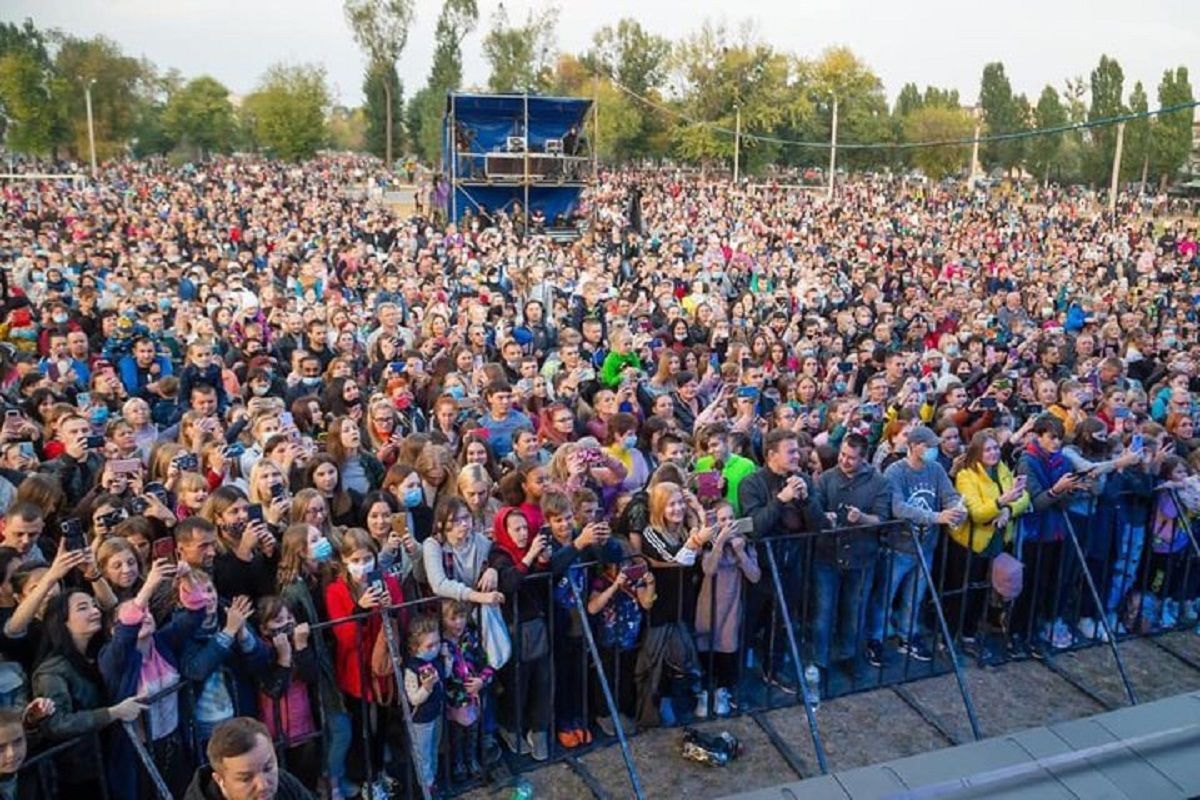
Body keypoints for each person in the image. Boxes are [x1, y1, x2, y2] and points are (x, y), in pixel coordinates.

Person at [867, 425, 965, 663]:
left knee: (915, 595)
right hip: (898, 546)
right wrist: (936, 517)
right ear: (913, 446)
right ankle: (875, 639)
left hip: (926, 545)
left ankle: (907, 635)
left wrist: (956, 508)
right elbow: (897, 507)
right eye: (928, 445)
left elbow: (948, 494)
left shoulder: (937, 469)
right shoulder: (895, 471)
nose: (932, 449)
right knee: (886, 595)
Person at [811, 433, 891, 677]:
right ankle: (820, 661)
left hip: (861, 556)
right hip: (827, 554)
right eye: (843, 455)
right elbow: (816, 511)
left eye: (851, 458)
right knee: (823, 613)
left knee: (855, 611)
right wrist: (827, 518)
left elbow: (882, 518)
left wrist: (862, 519)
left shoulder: (879, 482)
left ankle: (849, 656)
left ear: (863, 458)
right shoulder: (826, 478)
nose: (845, 461)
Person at [184, 715, 314, 799]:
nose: (263, 785)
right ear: (220, 780)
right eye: (246, 778)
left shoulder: (285, 785)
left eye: (268, 768)